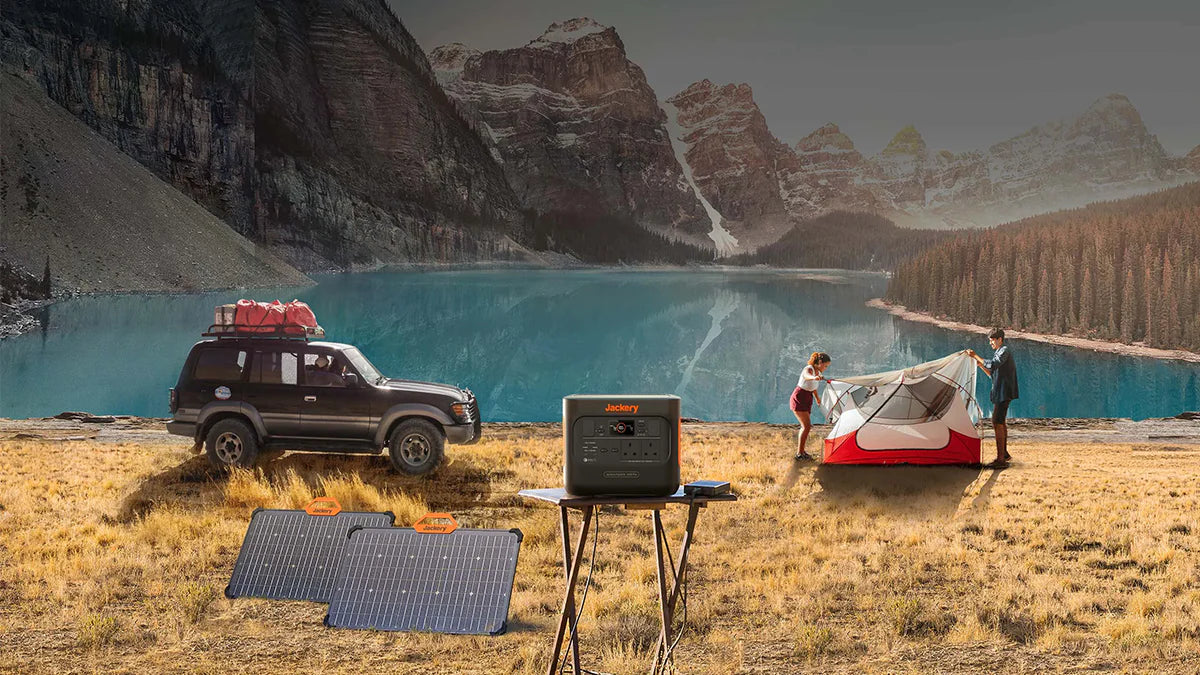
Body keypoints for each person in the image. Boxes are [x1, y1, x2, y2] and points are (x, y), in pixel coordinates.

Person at [968, 328, 1019, 466]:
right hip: (1002, 392)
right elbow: (993, 374)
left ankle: (1000, 459)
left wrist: (975, 356)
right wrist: (980, 365)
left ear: (999, 339)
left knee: (996, 421)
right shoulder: (999, 352)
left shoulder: (1004, 351)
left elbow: (993, 364)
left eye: (992, 340)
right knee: (1000, 421)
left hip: (1004, 392)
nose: (991, 343)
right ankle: (1005, 454)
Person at [790, 352, 831, 461]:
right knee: (806, 426)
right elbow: (806, 376)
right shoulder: (809, 369)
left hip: (807, 398)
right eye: (825, 366)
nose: (826, 368)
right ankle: (799, 453)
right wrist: (814, 377)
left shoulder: (817, 372)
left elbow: (813, 388)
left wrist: (817, 398)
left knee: (806, 426)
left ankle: (802, 452)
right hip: (800, 397)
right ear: (820, 363)